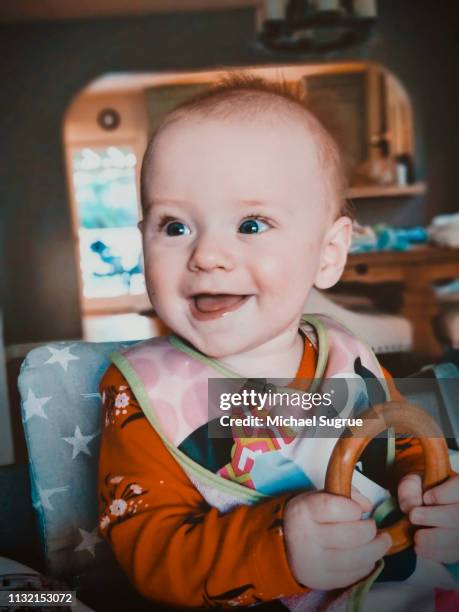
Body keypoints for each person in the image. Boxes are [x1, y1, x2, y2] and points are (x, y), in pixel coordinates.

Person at [97, 74, 459, 609]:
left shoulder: (346, 354)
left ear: (328, 254)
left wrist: (430, 493)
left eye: (250, 223)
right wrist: (278, 548)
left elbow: (401, 445)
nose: (207, 255)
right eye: (174, 227)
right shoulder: (144, 393)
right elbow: (149, 553)